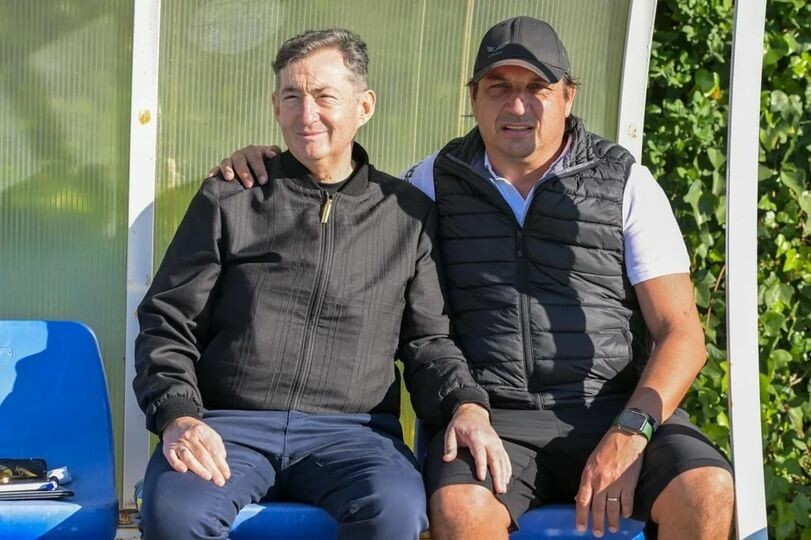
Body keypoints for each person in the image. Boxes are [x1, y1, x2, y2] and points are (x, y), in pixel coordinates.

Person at [211, 16, 735, 539]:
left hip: (615, 407)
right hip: (491, 417)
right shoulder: (430, 182)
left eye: (536, 88)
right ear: (474, 97)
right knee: (461, 510)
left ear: (568, 96)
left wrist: (631, 431)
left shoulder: (626, 182)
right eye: (498, 87)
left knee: (708, 491)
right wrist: (269, 166)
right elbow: (343, 196)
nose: (517, 106)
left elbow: (682, 335)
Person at [133, 28, 511, 540]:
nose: (306, 114)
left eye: (324, 96)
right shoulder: (231, 197)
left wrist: (465, 403)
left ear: (364, 106)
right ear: (275, 106)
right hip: (229, 427)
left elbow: (428, 341)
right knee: (177, 514)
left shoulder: (407, 215)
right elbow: (167, 320)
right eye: (292, 96)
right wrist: (177, 415)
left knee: (396, 512)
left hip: (355, 437)